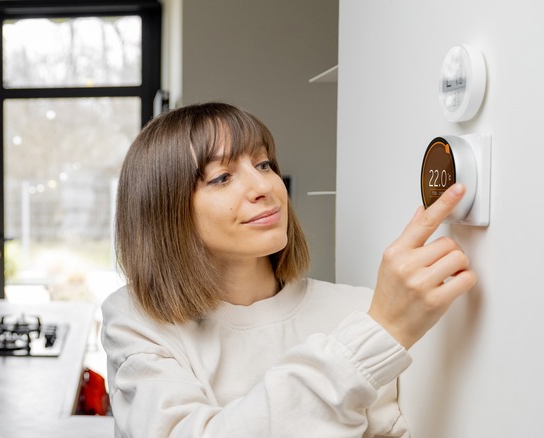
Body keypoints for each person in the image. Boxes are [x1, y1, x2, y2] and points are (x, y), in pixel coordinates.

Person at [101, 102, 476, 437]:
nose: (263, 186)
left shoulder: (362, 310)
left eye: (263, 164)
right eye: (222, 177)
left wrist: (381, 325)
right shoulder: (137, 320)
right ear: (166, 212)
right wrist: (377, 336)